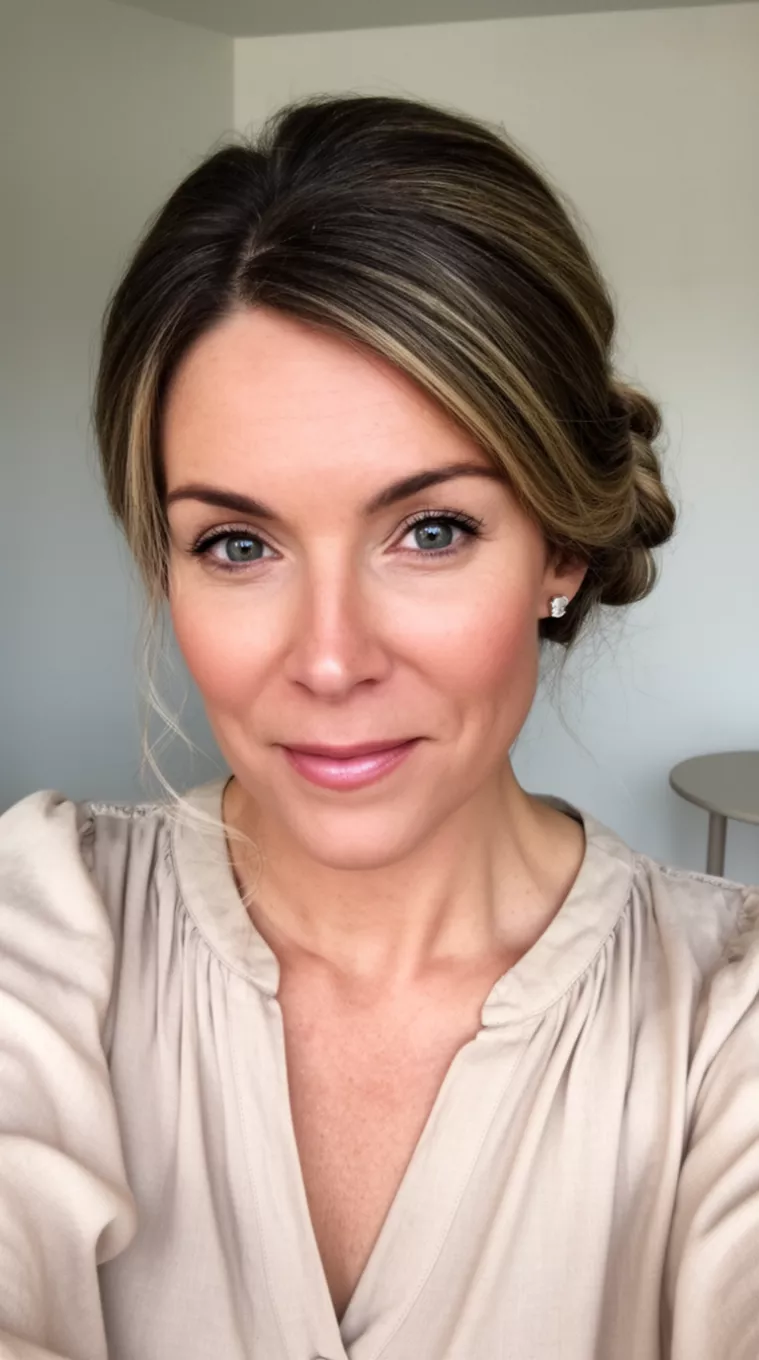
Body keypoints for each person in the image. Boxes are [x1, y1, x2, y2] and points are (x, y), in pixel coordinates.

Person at [0, 92, 756, 1360]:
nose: (331, 657)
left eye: (431, 530)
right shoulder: (41, 925)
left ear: (562, 545)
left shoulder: (723, 1025)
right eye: (237, 543)